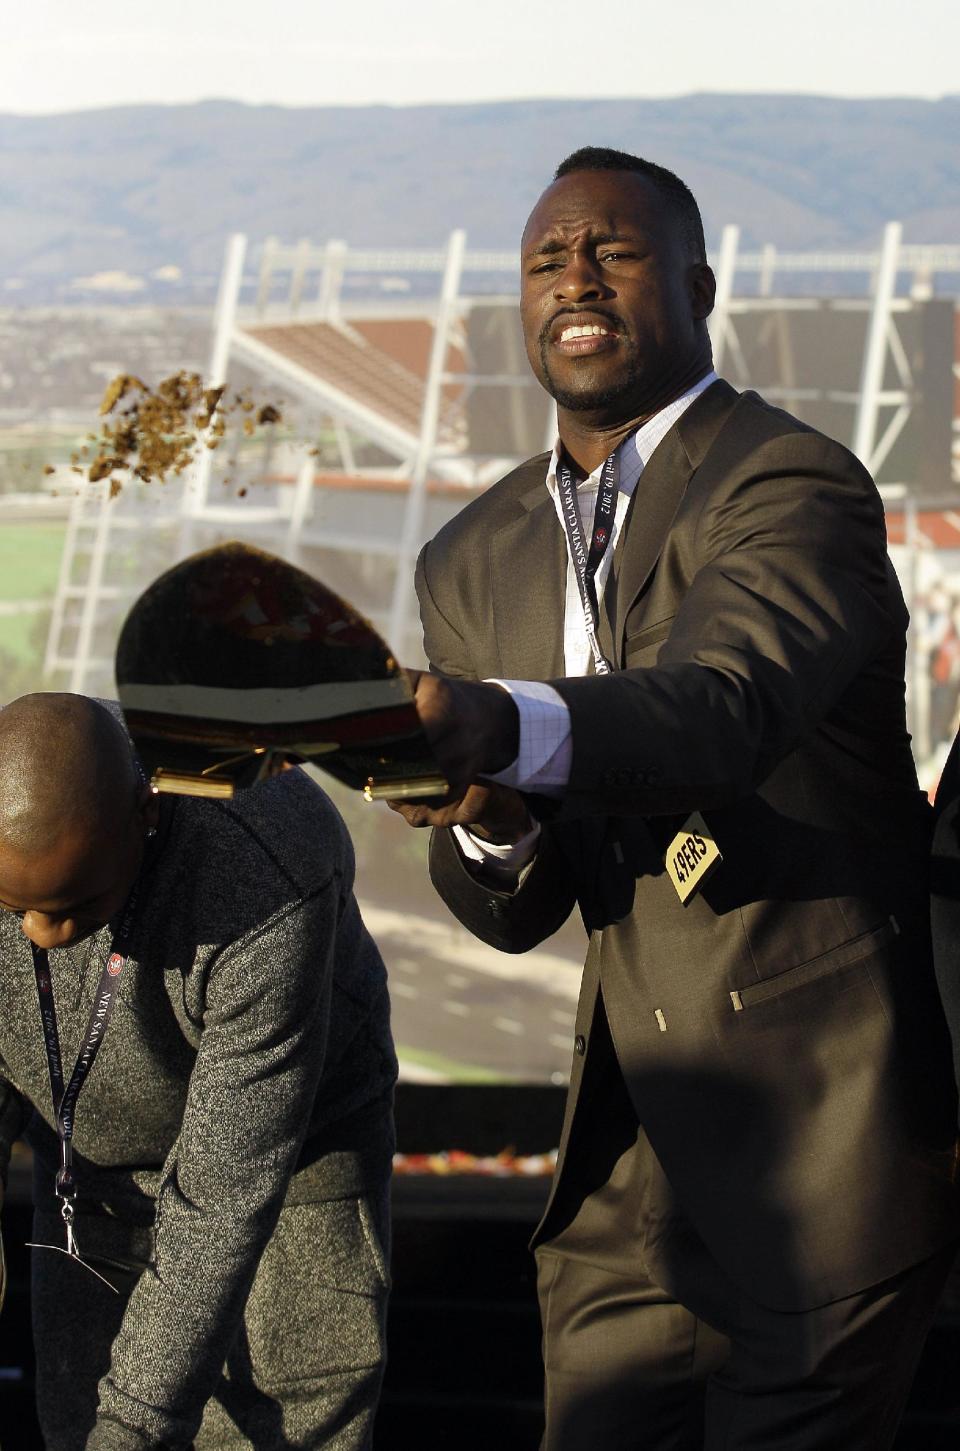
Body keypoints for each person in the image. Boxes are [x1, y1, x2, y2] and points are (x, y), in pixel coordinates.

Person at [390, 147, 960, 1450]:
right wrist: (487, 810)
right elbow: (509, 905)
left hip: (831, 1157)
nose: (573, 276)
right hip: (626, 1186)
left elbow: (719, 711)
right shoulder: (471, 555)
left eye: (614, 249)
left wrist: (490, 718)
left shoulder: (789, 484)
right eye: (546, 259)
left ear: (699, 284)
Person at [0, 692, 396, 1451]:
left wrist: (134, 1427)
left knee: (278, 1429)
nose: (40, 936)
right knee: (78, 1419)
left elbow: (222, 1193)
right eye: (14, 906)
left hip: (287, 1167)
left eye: (73, 905)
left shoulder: (267, 861)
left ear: (146, 815)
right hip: (89, 1166)